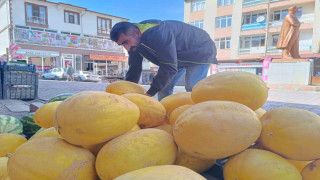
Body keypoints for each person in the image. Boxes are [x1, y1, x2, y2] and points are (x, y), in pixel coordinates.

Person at [110, 20, 217, 100]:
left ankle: (199, 114)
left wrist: (149, 93)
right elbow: (134, 68)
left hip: (200, 50)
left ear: (137, 33)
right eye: (122, 44)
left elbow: (168, 67)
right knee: (164, 88)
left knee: (192, 87)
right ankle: (166, 115)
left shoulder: (158, 33)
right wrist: (126, 93)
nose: (127, 48)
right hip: (178, 57)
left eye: (126, 42)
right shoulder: (134, 44)